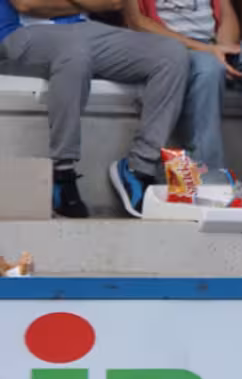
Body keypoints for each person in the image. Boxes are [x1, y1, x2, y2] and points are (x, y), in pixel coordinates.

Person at [0, 0, 188, 218]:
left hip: (84, 30)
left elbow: (113, 3)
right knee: (74, 54)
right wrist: (90, 4)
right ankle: (62, 173)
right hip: (21, 34)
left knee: (171, 53)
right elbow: (27, 4)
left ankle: (139, 168)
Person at [124, 0, 242, 172]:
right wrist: (206, 50)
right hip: (173, 49)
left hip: (213, 46)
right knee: (209, 68)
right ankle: (206, 172)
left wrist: (223, 49)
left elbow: (226, 13)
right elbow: (137, 22)